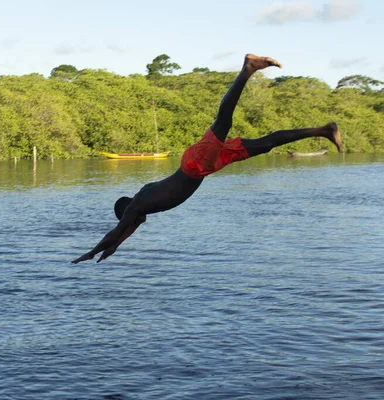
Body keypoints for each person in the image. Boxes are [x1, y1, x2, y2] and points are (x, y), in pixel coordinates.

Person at [72, 54, 342, 264]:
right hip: (205, 167)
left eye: (131, 220)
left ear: (126, 210)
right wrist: (114, 249)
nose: (138, 223)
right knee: (266, 144)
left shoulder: (137, 206)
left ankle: (248, 67)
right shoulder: (140, 204)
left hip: (195, 165)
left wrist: (93, 251)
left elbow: (118, 231)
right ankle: (324, 130)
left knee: (223, 121)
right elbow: (123, 234)